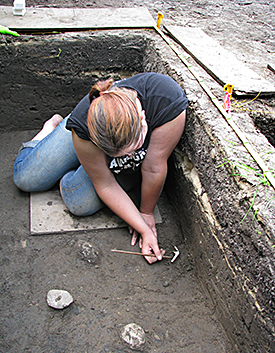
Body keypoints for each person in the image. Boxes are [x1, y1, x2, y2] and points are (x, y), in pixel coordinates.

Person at [13, 72, 189, 264]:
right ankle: (50, 130)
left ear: (142, 116)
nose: (130, 158)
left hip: (102, 141)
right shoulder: (84, 125)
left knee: (77, 201)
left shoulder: (167, 101)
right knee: (25, 179)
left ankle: (79, 163)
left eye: (135, 148)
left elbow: (153, 168)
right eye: (120, 155)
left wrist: (145, 216)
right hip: (87, 134)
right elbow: (105, 184)